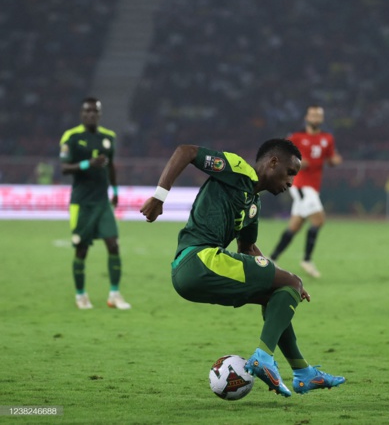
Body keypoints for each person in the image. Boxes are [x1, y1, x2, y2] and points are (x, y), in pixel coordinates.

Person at [139, 140, 345, 396]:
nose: (291, 182)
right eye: (290, 172)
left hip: (193, 274)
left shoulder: (253, 204)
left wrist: (283, 279)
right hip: (199, 259)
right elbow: (186, 151)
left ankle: (303, 372)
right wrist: (160, 196)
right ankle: (263, 358)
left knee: (277, 295)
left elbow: (247, 248)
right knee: (291, 283)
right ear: (272, 162)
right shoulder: (236, 168)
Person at [59, 97, 130, 310]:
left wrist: (115, 191)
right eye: (86, 111)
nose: (90, 114)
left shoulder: (109, 138)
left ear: (99, 114)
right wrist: (87, 163)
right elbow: (64, 168)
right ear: (82, 114)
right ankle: (81, 295)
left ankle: (114, 295)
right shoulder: (71, 137)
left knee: (113, 245)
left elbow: (111, 168)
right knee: (81, 250)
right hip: (81, 203)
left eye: (94, 111)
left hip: (102, 202)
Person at [269, 105, 342, 278]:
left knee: (294, 226)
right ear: (307, 117)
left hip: (313, 186)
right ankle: (307, 260)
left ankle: (271, 259)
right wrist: (296, 162)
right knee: (319, 220)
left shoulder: (327, 138)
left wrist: (335, 160)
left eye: (318, 115)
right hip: (301, 185)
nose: (315, 118)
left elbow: (331, 159)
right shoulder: (296, 137)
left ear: (322, 119)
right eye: (312, 115)